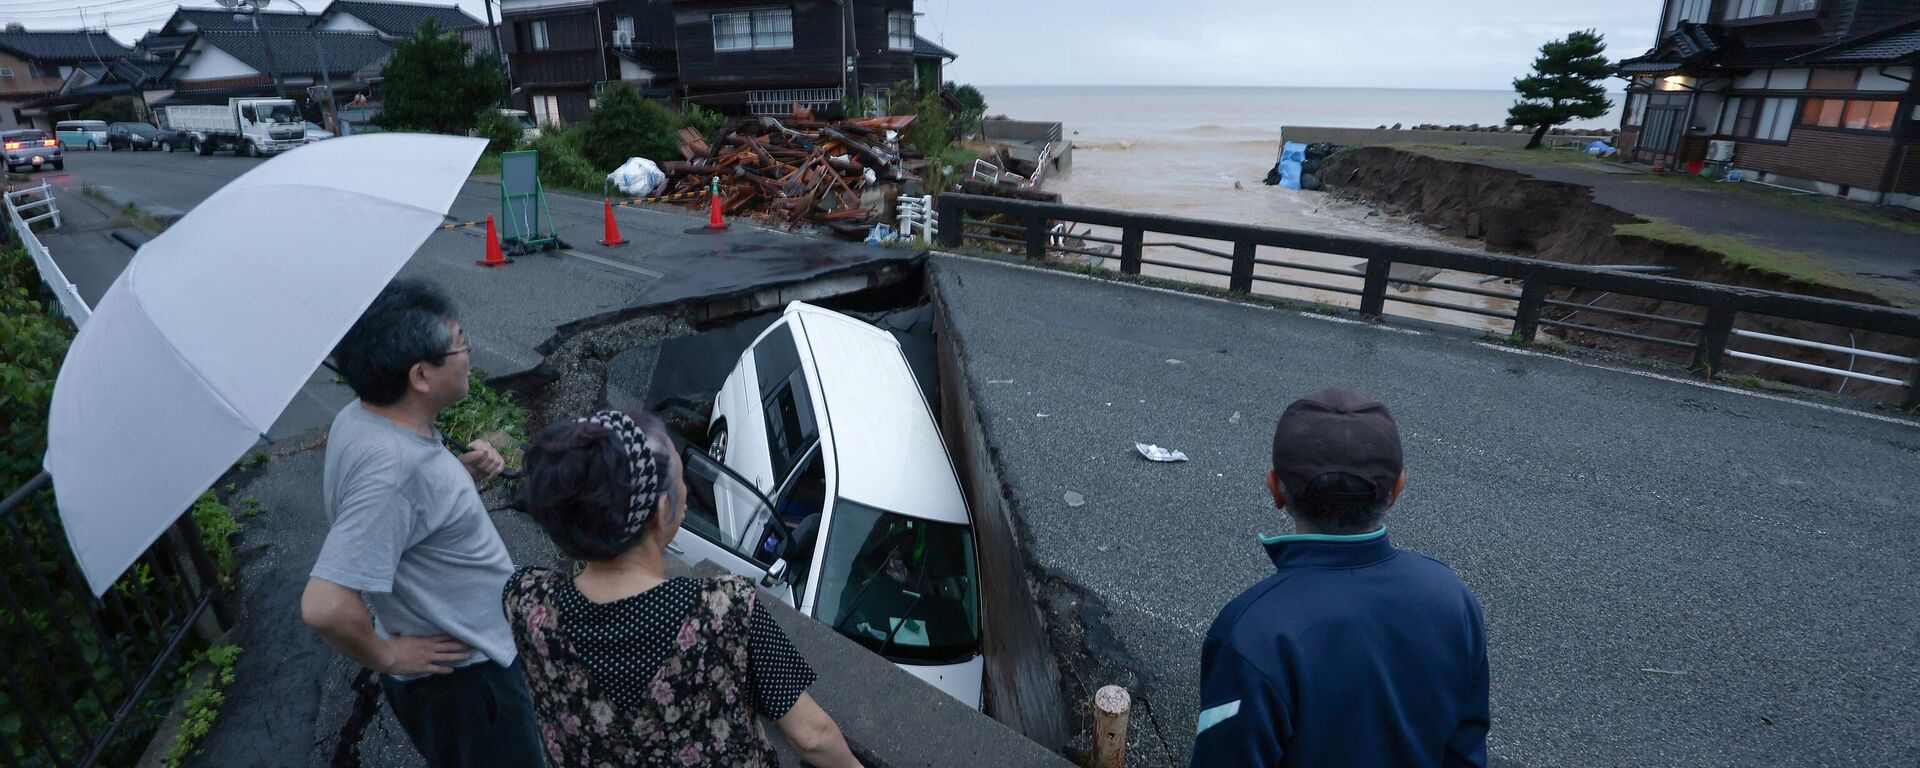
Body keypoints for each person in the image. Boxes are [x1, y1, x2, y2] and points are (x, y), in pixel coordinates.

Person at [504, 409, 862, 768]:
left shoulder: (527, 602)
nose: (687, 495)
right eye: (680, 481)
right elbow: (812, 736)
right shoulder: (725, 609)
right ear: (662, 510)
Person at [299, 279, 545, 767]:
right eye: (460, 344)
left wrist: (459, 477)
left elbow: (406, 517)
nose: (469, 355)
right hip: (468, 684)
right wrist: (387, 656)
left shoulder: (361, 417)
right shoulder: (395, 470)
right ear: (421, 377)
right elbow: (324, 606)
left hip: (464, 676)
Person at [1192, 388, 1488, 768]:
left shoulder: (1250, 633)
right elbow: (1466, 747)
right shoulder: (1452, 597)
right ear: (1397, 489)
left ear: (1275, 487)